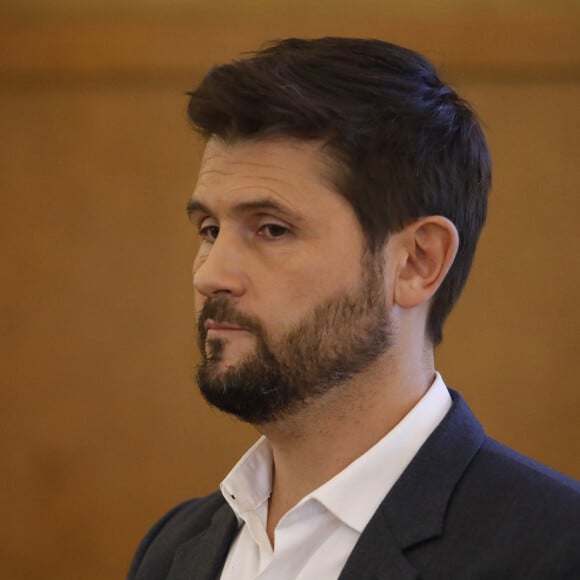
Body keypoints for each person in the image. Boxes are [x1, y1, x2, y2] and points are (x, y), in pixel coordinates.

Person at [127, 37, 580, 580]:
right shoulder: (173, 548)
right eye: (209, 230)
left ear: (416, 261)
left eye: (272, 229)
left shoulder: (555, 549)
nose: (210, 275)